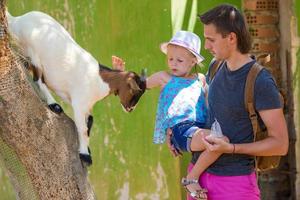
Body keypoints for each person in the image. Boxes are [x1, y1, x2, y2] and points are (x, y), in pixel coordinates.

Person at [170, 4, 289, 200]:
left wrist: (232, 148)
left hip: (235, 184)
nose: (206, 46)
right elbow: (209, 116)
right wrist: (175, 131)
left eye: (211, 40)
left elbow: (280, 144)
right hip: (198, 178)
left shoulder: (261, 81)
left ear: (231, 38)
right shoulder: (215, 67)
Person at [112, 30, 226, 199]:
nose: (173, 63)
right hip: (180, 131)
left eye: (180, 60)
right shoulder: (164, 77)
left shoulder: (200, 79)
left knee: (220, 140)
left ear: (193, 60)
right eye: (170, 59)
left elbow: (210, 105)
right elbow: (137, 88)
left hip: (198, 129)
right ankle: (191, 179)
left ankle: (194, 176)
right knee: (219, 140)